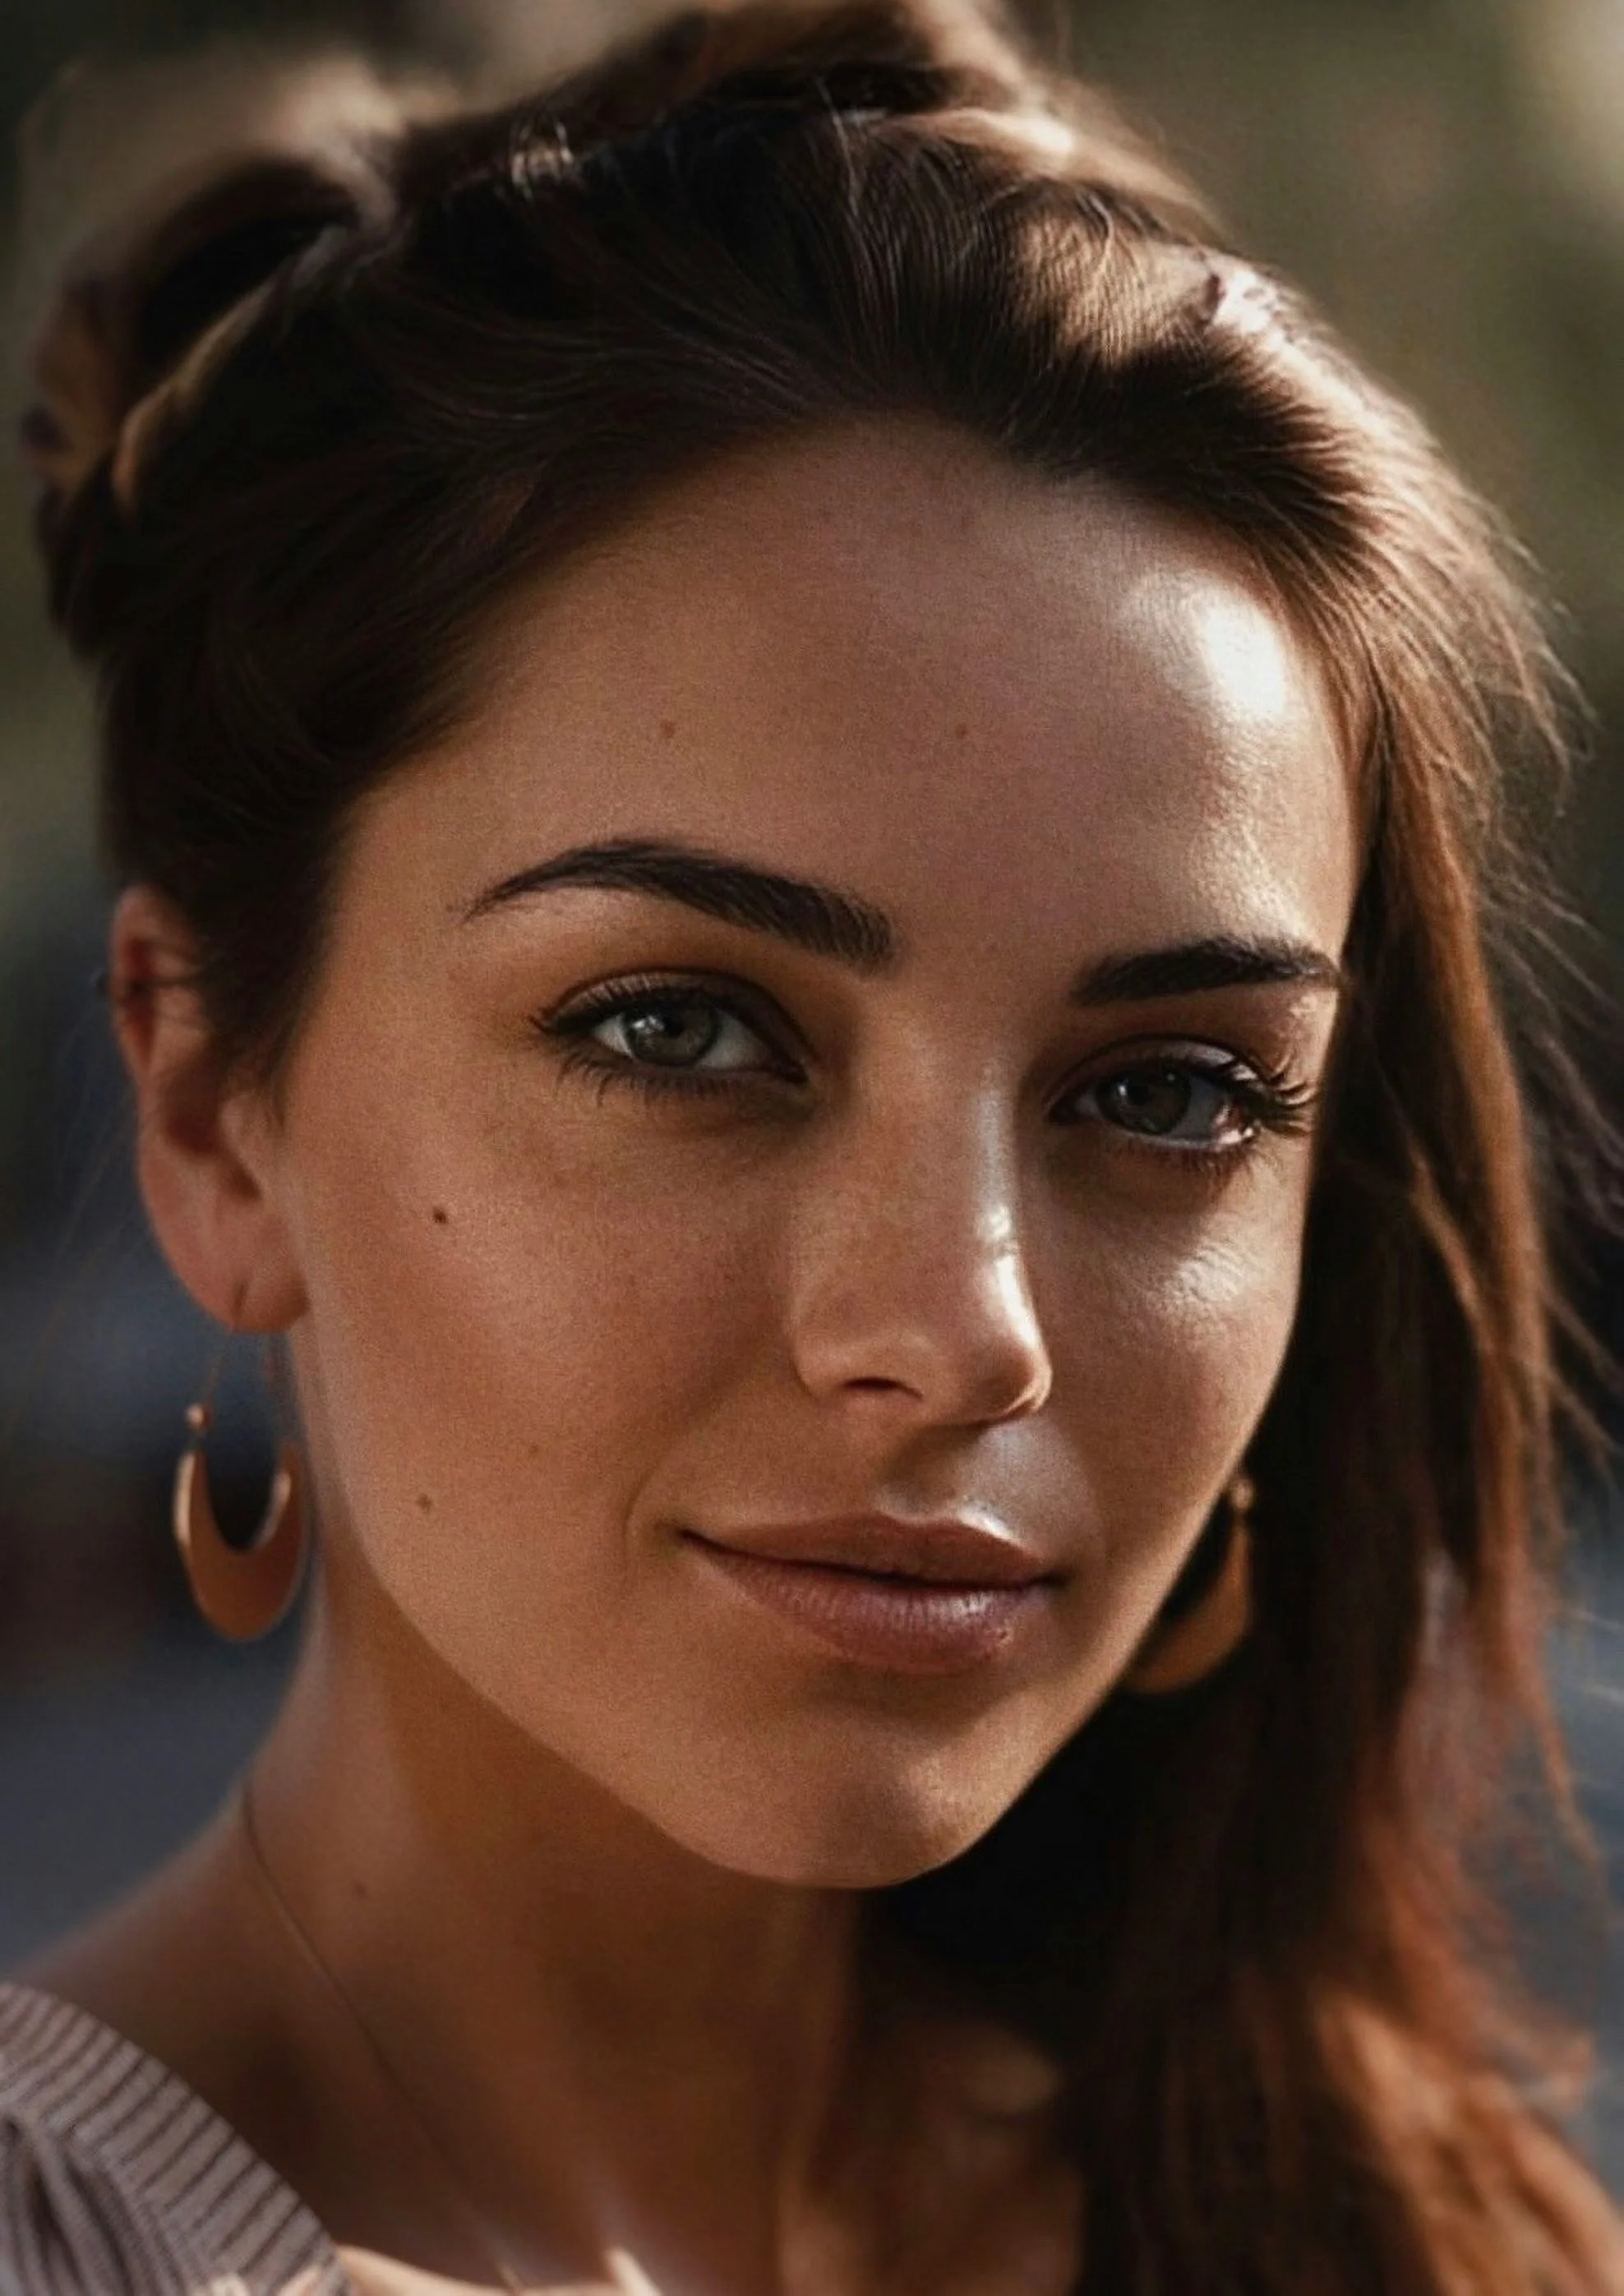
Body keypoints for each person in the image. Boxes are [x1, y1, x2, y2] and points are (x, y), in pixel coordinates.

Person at [4, 0, 1622, 2288]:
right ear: (210, 1111)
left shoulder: (1425, 2237)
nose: (967, 1333)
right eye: (680, 1028)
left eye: (1168, 1092)